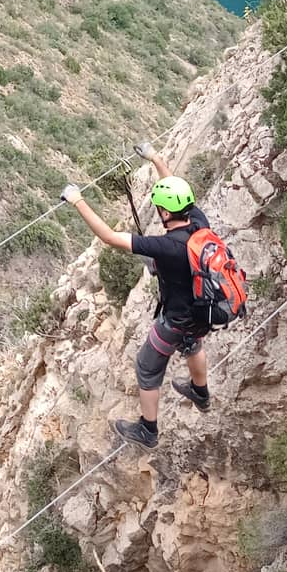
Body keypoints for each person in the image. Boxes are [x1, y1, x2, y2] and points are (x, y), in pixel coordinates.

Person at [62, 142, 221, 449]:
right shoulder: (200, 224)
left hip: (175, 320)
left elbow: (109, 237)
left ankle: (148, 430)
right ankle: (200, 393)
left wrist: (77, 200)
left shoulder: (166, 246)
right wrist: (156, 159)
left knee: (147, 368)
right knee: (193, 344)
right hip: (202, 311)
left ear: (163, 212)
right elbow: (174, 186)